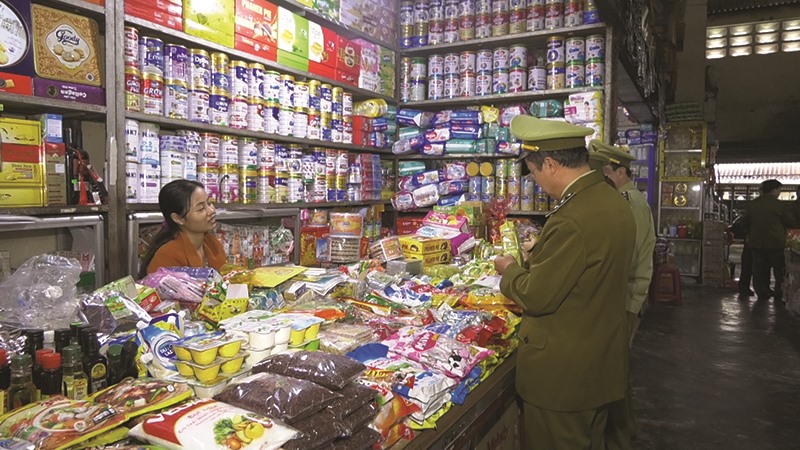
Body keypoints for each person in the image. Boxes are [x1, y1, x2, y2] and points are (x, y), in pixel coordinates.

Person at [494, 116, 635, 449]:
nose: (537, 182)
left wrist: (509, 269)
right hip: (599, 363)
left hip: (564, 378)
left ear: (551, 165)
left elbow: (537, 296)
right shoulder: (611, 200)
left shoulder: (573, 216)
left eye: (534, 172)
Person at [592, 140, 657, 449]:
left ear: (620, 172)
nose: (602, 179)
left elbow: (626, 256)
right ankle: (625, 430)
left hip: (625, 295)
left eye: (605, 172)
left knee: (612, 372)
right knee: (616, 369)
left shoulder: (628, 203)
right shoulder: (627, 200)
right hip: (625, 293)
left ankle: (618, 438)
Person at [138, 179, 226, 279]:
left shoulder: (212, 244)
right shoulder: (168, 255)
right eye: (201, 209)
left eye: (209, 203)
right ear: (178, 218)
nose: (211, 211)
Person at [742, 179, 796, 302]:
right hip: (775, 243)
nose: (779, 193)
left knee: (759, 269)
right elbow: (790, 222)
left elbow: (744, 221)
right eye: (779, 190)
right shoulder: (780, 205)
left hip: (756, 243)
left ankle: (762, 293)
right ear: (774, 190)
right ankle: (779, 293)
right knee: (779, 270)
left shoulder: (753, 204)